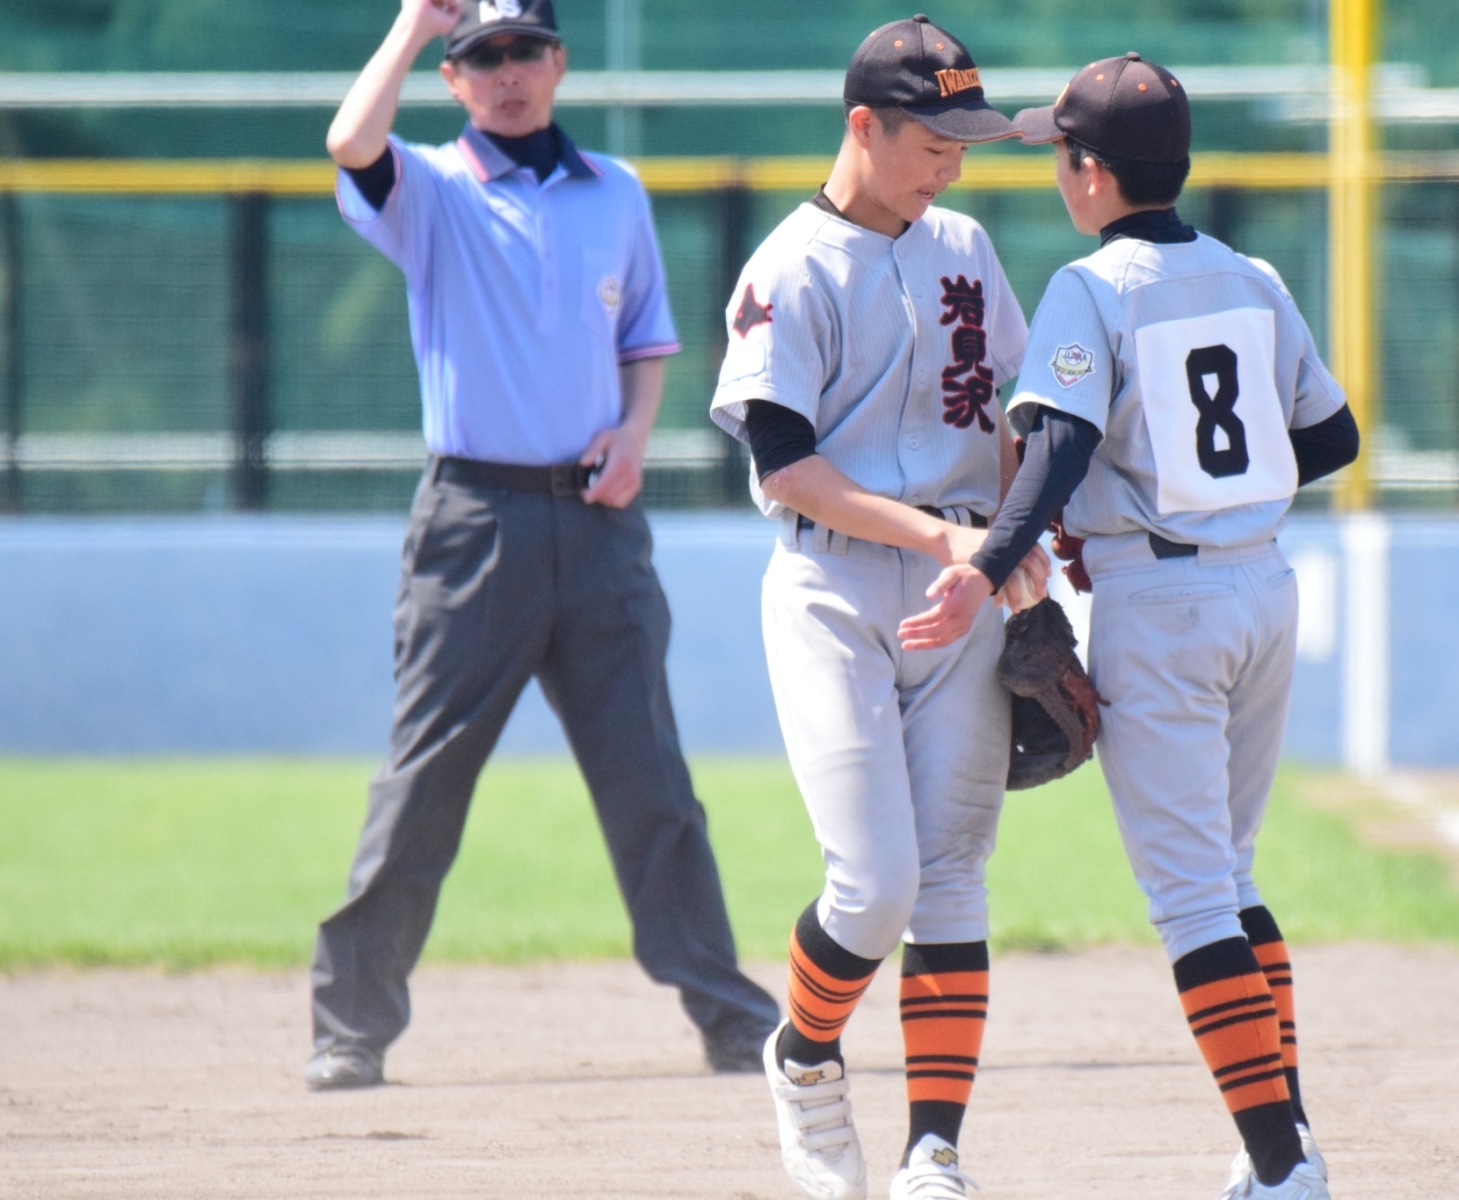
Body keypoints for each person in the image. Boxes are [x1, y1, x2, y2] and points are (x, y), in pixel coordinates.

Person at [898, 53, 1361, 1200]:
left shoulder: (1092, 286)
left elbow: (1055, 448)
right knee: (1230, 878)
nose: (1060, 172)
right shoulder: (1251, 275)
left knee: (1193, 900)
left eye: (1063, 154)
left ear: (1093, 173)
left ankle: (1282, 1172)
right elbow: (1331, 437)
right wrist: (1218, 491)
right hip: (1264, 588)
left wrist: (987, 569)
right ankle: (1291, 1148)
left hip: (1165, 607)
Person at [304, 0, 778, 1091]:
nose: (506, 73)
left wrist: (636, 432)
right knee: (424, 782)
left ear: (559, 63)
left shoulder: (615, 191)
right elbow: (349, 142)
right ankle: (349, 1027)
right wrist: (413, 25)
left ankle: (730, 1016)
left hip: (601, 524)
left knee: (652, 782)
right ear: (454, 79)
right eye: (483, 58)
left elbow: (644, 340)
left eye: (524, 51)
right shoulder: (432, 190)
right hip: (474, 521)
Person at [708, 15, 1048, 1200]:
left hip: (963, 586)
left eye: (964, 144)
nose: (951, 164)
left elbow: (999, 418)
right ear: (865, 125)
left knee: (953, 873)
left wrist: (1020, 544)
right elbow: (788, 469)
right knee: (874, 883)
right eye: (934, 142)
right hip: (834, 588)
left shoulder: (964, 246)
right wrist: (949, 540)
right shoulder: (787, 268)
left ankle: (933, 1152)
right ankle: (804, 1056)